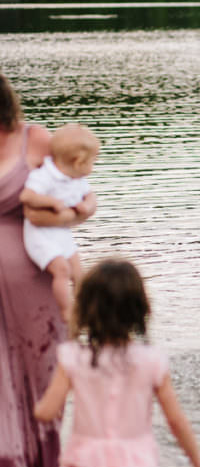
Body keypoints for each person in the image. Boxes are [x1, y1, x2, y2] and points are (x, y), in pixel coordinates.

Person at [34, 258, 200, 467]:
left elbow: (46, 413)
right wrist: (197, 464)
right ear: (139, 309)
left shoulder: (72, 357)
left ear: (86, 308)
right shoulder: (151, 360)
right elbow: (175, 420)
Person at [0, 72, 96, 467]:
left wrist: (64, 217)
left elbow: (80, 198)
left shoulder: (35, 141)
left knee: (42, 386)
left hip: (36, 281)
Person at [21, 123, 100, 324]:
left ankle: (86, 309)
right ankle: (66, 311)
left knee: (78, 272)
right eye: (92, 161)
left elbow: (90, 196)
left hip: (61, 233)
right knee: (62, 270)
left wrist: (86, 204)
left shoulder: (76, 177)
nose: (93, 167)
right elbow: (27, 196)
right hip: (41, 235)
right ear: (78, 161)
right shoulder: (45, 175)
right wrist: (51, 202)